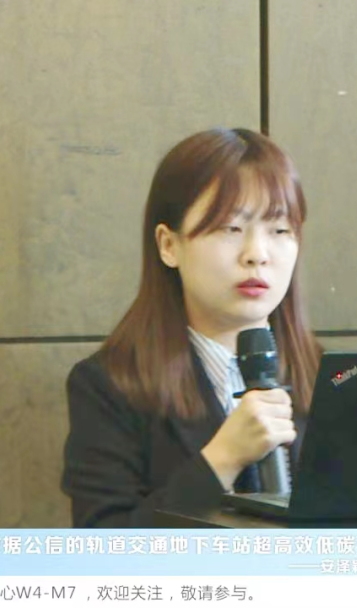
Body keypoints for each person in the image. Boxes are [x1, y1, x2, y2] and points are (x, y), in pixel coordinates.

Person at [61, 127, 323, 528]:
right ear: (169, 245)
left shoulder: (335, 379)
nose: (257, 254)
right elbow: (103, 547)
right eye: (230, 228)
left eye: (279, 230)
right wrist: (221, 460)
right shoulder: (108, 386)